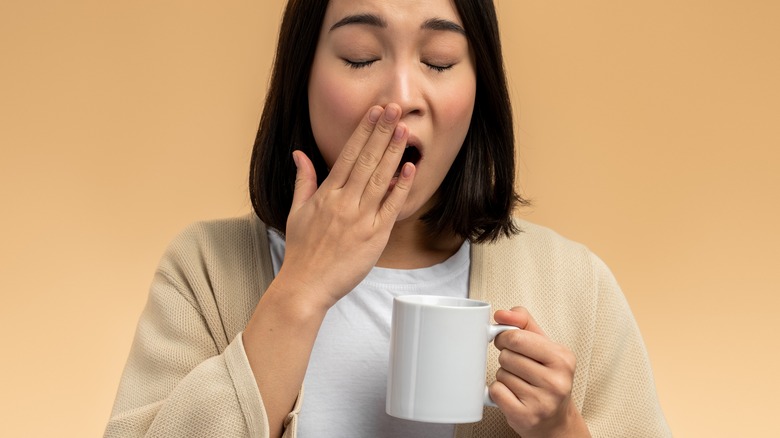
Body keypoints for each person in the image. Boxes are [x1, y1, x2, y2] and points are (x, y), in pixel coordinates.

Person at [104, 0, 671, 437]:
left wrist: (561, 430)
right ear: (302, 75)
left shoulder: (576, 285)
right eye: (359, 57)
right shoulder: (205, 271)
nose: (401, 96)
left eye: (439, 61)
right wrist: (301, 290)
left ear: (482, 87)